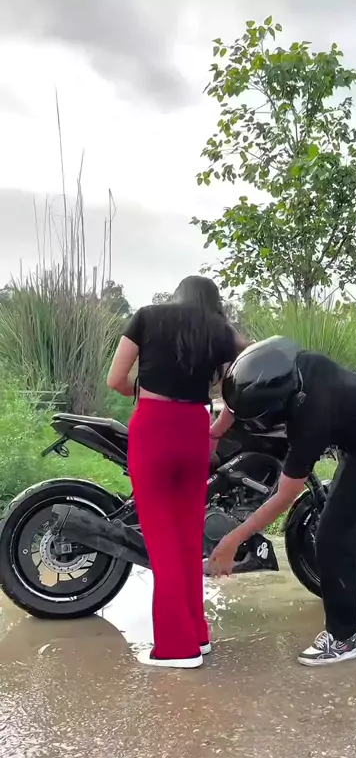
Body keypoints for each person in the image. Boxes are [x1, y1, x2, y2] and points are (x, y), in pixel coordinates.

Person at [208, 336, 356, 667]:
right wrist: (215, 431)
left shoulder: (310, 419)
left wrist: (233, 539)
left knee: (332, 536)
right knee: (350, 518)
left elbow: (284, 496)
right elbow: (242, 389)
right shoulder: (286, 368)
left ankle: (343, 639)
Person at [107, 277, 243, 669]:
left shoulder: (147, 317)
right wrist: (219, 427)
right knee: (186, 539)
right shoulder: (219, 329)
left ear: (178, 294)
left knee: (162, 541)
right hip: (195, 429)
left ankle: (176, 648)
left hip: (153, 426)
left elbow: (115, 380)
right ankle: (197, 635)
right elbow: (242, 384)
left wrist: (141, 390)